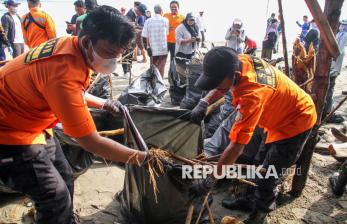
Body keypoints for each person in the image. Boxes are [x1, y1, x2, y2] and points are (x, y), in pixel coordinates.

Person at [0, 6, 155, 224]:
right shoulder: (62, 72)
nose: (113, 61)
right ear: (86, 42)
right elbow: (91, 142)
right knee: (54, 196)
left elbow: (68, 92)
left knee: (65, 174)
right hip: (9, 131)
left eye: (118, 55)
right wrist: (143, 158)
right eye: (109, 54)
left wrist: (103, 103)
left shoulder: (72, 46)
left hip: (34, 122)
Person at [190, 47, 317, 223]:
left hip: (296, 121)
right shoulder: (238, 61)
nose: (215, 87)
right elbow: (223, 85)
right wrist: (204, 102)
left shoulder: (251, 95)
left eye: (218, 82)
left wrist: (211, 179)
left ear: (234, 74)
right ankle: (250, 200)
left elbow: (236, 146)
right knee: (259, 162)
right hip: (275, 114)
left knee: (268, 174)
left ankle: (259, 215)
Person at [324, 20, 347, 123]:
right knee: (327, 88)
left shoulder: (344, 35)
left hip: (334, 66)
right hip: (331, 65)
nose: (341, 26)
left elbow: (339, 50)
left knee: (329, 88)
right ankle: (327, 109)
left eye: (343, 25)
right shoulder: (339, 34)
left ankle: (327, 110)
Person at [142, 4, 169, 77]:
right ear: (161, 11)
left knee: (153, 67)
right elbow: (167, 34)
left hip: (152, 48)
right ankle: (160, 84)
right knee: (162, 67)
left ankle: (154, 84)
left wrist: (148, 47)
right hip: (163, 48)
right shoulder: (165, 20)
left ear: (154, 11)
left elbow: (145, 36)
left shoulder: (148, 21)